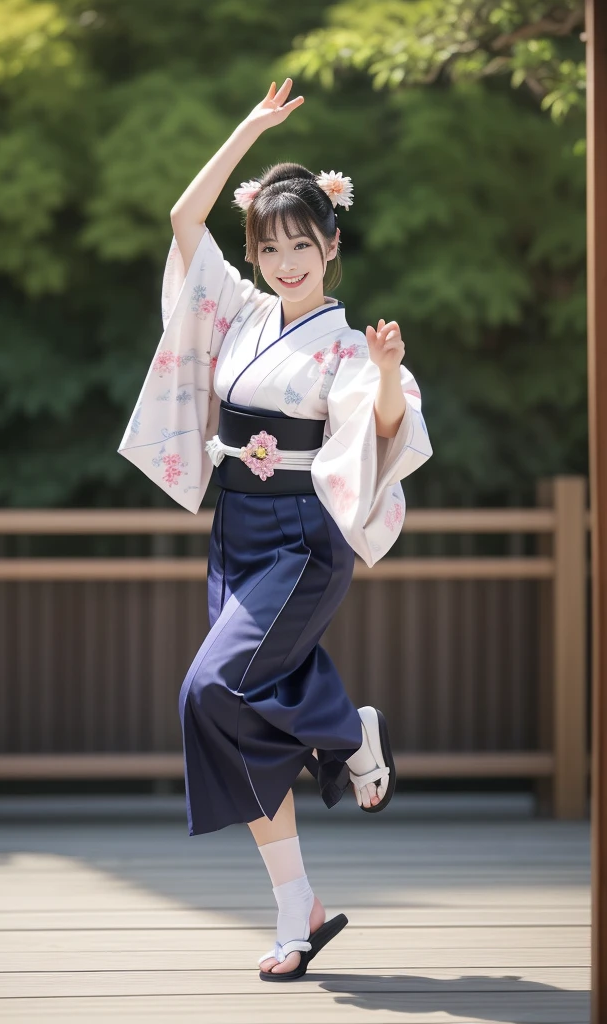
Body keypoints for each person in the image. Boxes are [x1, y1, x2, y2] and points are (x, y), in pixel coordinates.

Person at [119, 79, 433, 980]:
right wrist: (251, 130)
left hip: (304, 538)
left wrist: (382, 372)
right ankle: (300, 903)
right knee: (223, 708)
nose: (285, 260)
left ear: (332, 246)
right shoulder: (242, 311)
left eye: (302, 244)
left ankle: (344, 734)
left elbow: (381, 434)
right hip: (238, 530)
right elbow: (185, 218)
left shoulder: (345, 344)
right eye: (270, 246)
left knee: (208, 690)